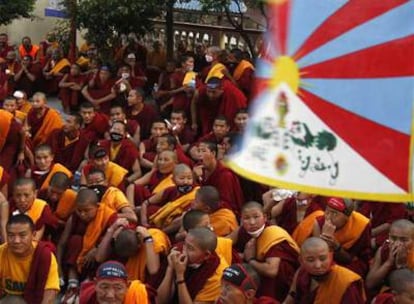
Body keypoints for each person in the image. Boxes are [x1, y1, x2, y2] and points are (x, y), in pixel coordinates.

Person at [231, 202, 300, 301]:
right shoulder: (242, 231)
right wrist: (241, 255)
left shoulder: (273, 234)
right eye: (246, 218)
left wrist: (250, 259)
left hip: (277, 284)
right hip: (256, 279)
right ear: (241, 220)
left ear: (265, 217)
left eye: (256, 217)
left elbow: (272, 271)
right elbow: (223, 244)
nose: (252, 222)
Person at [56, 189, 117, 295]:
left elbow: (113, 240)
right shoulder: (74, 217)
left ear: (97, 206)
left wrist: (97, 248)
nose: (82, 214)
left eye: (87, 210)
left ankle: (89, 282)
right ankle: (72, 284)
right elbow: (62, 243)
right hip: (76, 260)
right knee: (75, 240)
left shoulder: (108, 216)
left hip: (96, 261)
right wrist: (58, 268)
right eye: (79, 210)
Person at [284, 237, 366, 304]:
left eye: (323, 259)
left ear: (330, 256)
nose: (318, 266)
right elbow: (292, 296)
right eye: (310, 260)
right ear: (301, 261)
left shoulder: (345, 282)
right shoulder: (302, 272)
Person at [157, 227, 228, 304]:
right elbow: (159, 301)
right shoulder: (177, 252)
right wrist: (170, 268)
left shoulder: (217, 273)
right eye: (185, 244)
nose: (184, 251)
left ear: (206, 255)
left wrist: (180, 276)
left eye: (190, 248)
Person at [0, 214, 59, 303]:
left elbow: (50, 291)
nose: (16, 241)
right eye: (11, 235)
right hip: (7, 297)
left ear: (33, 235)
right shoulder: (1, 252)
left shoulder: (44, 255)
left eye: (22, 235)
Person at [95, 219, 170, 284]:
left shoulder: (153, 236)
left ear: (139, 245)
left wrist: (148, 239)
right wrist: (111, 229)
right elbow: (99, 258)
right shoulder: (116, 236)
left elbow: (153, 270)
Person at [313, 197, 372, 277]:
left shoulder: (361, 225)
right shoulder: (319, 222)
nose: (328, 217)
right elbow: (317, 253)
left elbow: (351, 258)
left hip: (350, 263)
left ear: (347, 217)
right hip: (324, 259)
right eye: (327, 211)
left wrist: (335, 246)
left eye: (334, 213)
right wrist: (324, 241)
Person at [143, 164, 198, 232]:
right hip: (163, 222)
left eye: (189, 178)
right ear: (173, 180)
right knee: (150, 209)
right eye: (182, 178)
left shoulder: (196, 192)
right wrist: (144, 221)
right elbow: (146, 203)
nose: (186, 182)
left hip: (179, 227)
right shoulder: (170, 190)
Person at [193, 141, 244, 215]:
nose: (200, 155)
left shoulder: (225, 175)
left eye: (203, 151)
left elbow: (226, 204)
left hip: (221, 213)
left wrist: (200, 179)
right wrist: (195, 177)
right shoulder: (198, 169)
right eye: (198, 151)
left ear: (213, 153)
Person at [366, 219, 414, 292]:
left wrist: (401, 265)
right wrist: (389, 262)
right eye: (393, 238)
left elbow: (408, 290)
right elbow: (369, 284)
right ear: (388, 237)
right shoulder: (383, 250)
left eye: (404, 240)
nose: (397, 243)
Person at [79, 260, 156, 304]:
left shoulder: (138, 296)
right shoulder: (88, 298)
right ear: (95, 284)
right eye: (104, 287)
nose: (110, 295)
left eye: (118, 288)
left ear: (127, 287)